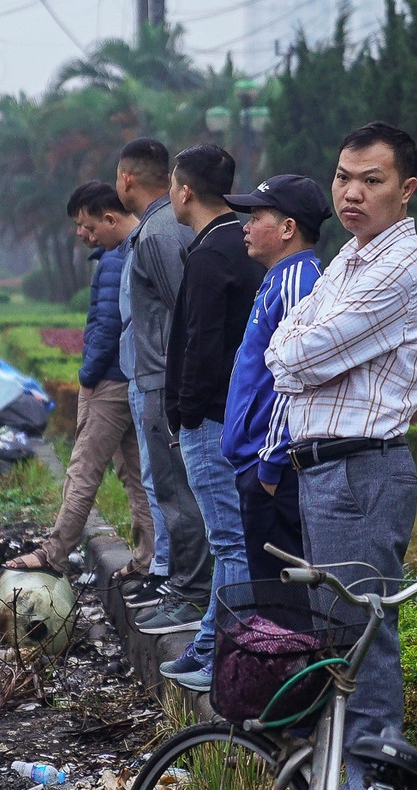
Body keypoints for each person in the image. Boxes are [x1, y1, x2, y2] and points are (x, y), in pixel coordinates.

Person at [265, 122, 417, 790]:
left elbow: (298, 355)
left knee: (362, 650)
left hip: (361, 472)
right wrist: (294, 346)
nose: (352, 191)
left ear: (406, 189)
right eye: (343, 176)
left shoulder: (402, 267)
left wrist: (295, 347)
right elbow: (288, 337)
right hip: (326, 472)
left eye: (371, 179)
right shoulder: (349, 257)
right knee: (340, 649)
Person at [4, 181, 154, 578]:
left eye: (87, 226)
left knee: (83, 468)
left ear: (110, 217)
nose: (82, 235)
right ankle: (147, 560)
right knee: (137, 476)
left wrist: (87, 377)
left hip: (108, 381)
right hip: (135, 379)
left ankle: (54, 553)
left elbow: (107, 326)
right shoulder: (140, 247)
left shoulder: (115, 260)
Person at [156, 144, 262, 685]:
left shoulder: (210, 254)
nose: (170, 194)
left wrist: (185, 415)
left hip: (213, 421)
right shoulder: (235, 244)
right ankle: (207, 645)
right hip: (232, 415)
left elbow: (200, 345)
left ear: (186, 190)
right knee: (231, 539)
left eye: (172, 185)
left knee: (231, 542)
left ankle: (231, 663)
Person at [114, 138, 212, 635]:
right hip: (153, 379)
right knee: (168, 490)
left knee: (177, 493)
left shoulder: (156, 235)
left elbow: (186, 313)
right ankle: (181, 585)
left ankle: (191, 594)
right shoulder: (155, 230)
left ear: (126, 179)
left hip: (161, 382)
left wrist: (178, 387)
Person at [221, 175, 332, 586]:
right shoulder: (279, 279)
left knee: (279, 603)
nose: (245, 227)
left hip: (271, 470)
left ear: (287, 229)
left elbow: (295, 381)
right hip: (258, 464)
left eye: (255, 216)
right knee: (270, 598)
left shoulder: (296, 283)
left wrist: (268, 468)